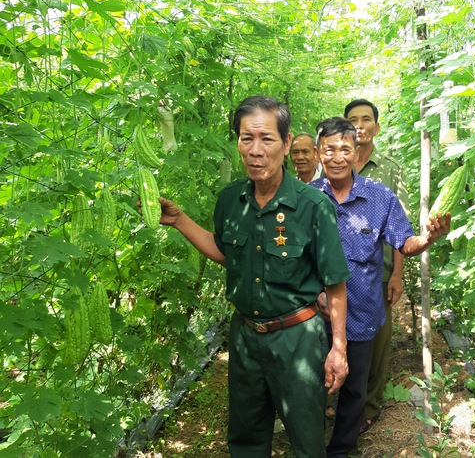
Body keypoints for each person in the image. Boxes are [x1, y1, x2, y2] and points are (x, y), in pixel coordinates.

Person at [140, 96, 350, 458]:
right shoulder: (230, 200)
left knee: (305, 436)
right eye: (245, 139)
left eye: (266, 139)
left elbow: (335, 282)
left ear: (285, 145)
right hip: (246, 338)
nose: (255, 151)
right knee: (246, 436)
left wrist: (338, 348)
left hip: (297, 339)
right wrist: (178, 220)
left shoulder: (312, 206)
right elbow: (227, 254)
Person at [309, 117, 450, 458]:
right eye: (330, 150)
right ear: (318, 154)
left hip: (361, 311)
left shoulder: (379, 197)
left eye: (345, 149)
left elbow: (404, 242)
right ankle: (309, 445)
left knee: (355, 387)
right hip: (313, 315)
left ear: (356, 152)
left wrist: (428, 238)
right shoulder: (306, 198)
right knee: (310, 386)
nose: (338, 157)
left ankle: (341, 449)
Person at [344, 98, 410, 432]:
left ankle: (369, 405)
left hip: (380, 268)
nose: (360, 125)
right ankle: (339, 401)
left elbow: (400, 225)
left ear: (376, 127)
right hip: (341, 269)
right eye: (353, 119)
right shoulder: (334, 163)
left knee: (377, 339)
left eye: (366, 119)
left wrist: (397, 273)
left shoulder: (391, 169)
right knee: (338, 333)